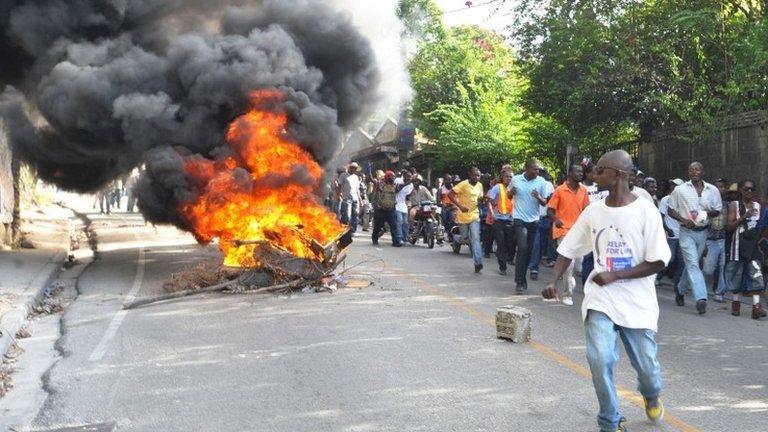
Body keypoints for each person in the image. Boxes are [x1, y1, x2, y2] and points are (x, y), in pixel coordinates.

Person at [543, 150, 670, 432]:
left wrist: (616, 274)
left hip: (638, 303)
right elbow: (569, 248)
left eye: (600, 170)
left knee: (648, 372)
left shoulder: (646, 211)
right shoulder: (594, 211)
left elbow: (659, 260)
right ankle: (609, 421)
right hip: (601, 299)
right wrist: (554, 280)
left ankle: (650, 394)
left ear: (620, 175)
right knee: (599, 358)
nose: (593, 176)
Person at [667, 162, 722, 314]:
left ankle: (680, 289)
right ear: (688, 173)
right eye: (691, 170)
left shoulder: (712, 190)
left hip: (703, 232)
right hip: (686, 231)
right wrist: (684, 220)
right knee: (692, 263)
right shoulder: (680, 190)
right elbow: (670, 210)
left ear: (702, 171)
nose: (694, 172)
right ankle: (701, 299)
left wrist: (705, 214)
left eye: (697, 169)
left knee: (693, 264)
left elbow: (717, 210)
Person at [546, 164, 590, 305]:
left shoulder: (584, 190)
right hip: (563, 230)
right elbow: (550, 210)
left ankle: (569, 281)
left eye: (582, 172)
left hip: (579, 231)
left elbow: (587, 210)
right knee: (568, 265)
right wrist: (556, 220)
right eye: (577, 171)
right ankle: (567, 294)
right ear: (570, 173)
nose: (580, 174)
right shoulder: (559, 190)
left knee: (579, 266)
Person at [724, 180, 766, 319]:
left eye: (752, 190)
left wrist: (759, 241)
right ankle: (736, 302)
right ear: (741, 191)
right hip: (737, 245)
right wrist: (744, 217)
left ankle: (756, 307)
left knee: (756, 274)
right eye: (746, 189)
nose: (749, 192)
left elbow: (760, 226)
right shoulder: (734, 205)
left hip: (752, 246)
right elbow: (729, 226)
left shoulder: (758, 206)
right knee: (736, 274)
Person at [510, 158, 550, 293]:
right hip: (519, 218)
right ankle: (519, 282)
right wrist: (511, 193)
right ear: (526, 168)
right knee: (522, 247)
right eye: (535, 169)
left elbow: (544, 203)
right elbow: (509, 195)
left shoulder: (541, 182)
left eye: (538, 169)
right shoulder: (515, 179)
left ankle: (522, 278)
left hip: (534, 220)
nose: (537, 171)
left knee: (528, 251)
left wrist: (538, 196)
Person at [449, 168, 485, 273]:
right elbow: (450, 194)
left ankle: (478, 262)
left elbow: (479, 198)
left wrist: (481, 201)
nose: (476, 178)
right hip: (463, 216)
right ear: (469, 174)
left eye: (478, 176)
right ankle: (456, 238)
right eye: (474, 175)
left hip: (474, 215)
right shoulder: (463, 184)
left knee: (475, 238)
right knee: (465, 238)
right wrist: (460, 206)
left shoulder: (480, 185)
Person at [580, 160, 609, 286]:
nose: (596, 176)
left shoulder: (603, 188)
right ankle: (586, 280)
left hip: (603, 225)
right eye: (594, 173)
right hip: (588, 224)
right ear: (587, 174)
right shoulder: (582, 188)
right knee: (588, 255)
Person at [529, 169, 556, 280]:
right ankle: (534, 268)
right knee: (536, 244)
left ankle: (534, 265)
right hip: (533, 219)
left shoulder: (548, 185)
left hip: (545, 219)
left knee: (540, 245)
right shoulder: (529, 184)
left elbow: (552, 201)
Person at [704, 178, 729, 302]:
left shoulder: (728, 205)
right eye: (718, 187)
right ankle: (700, 287)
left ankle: (719, 293)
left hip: (723, 240)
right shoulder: (708, 204)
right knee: (709, 270)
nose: (720, 189)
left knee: (723, 267)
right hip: (711, 240)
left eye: (722, 187)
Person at [658, 179, 685, 288]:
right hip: (671, 236)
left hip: (683, 235)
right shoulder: (666, 199)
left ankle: (677, 282)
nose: (673, 187)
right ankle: (657, 277)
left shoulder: (684, 201)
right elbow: (661, 216)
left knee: (682, 261)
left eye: (676, 186)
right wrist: (668, 229)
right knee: (669, 258)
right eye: (672, 185)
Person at [488, 169, 515, 275]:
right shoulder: (497, 187)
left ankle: (507, 258)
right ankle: (502, 267)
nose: (509, 179)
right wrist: (492, 212)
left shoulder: (514, 189)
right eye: (507, 176)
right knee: (501, 243)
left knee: (510, 243)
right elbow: (490, 199)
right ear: (502, 178)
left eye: (511, 177)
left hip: (510, 220)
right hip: (498, 220)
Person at [371, 171, 398, 246]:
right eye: (391, 177)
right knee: (378, 226)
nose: (392, 178)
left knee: (394, 226)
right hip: (381, 210)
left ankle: (395, 241)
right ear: (387, 177)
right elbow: (375, 195)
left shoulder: (395, 186)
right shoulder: (380, 185)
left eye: (393, 177)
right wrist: (375, 204)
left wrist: (410, 181)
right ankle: (374, 238)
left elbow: (403, 186)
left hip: (391, 209)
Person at [339, 162, 362, 233]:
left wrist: (360, 199)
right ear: (349, 167)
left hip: (355, 199)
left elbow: (357, 189)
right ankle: (343, 230)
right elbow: (339, 185)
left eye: (355, 168)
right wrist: (339, 195)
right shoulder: (343, 175)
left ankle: (352, 231)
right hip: (346, 199)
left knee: (355, 215)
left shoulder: (356, 177)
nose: (354, 169)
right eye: (352, 167)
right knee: (347, 216)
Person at [393, 171, 414, 247]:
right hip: (395, 203)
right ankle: (399, 239)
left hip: (403, 204)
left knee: (405, 223)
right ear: (403, 176)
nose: (409, 178)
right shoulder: (398, 180)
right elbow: (397, 190)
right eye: (407, 176)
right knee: (399, 221)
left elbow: (407, 196)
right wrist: (408, 183)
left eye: (410, 177)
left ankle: (405, 238)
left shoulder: (411, 185)